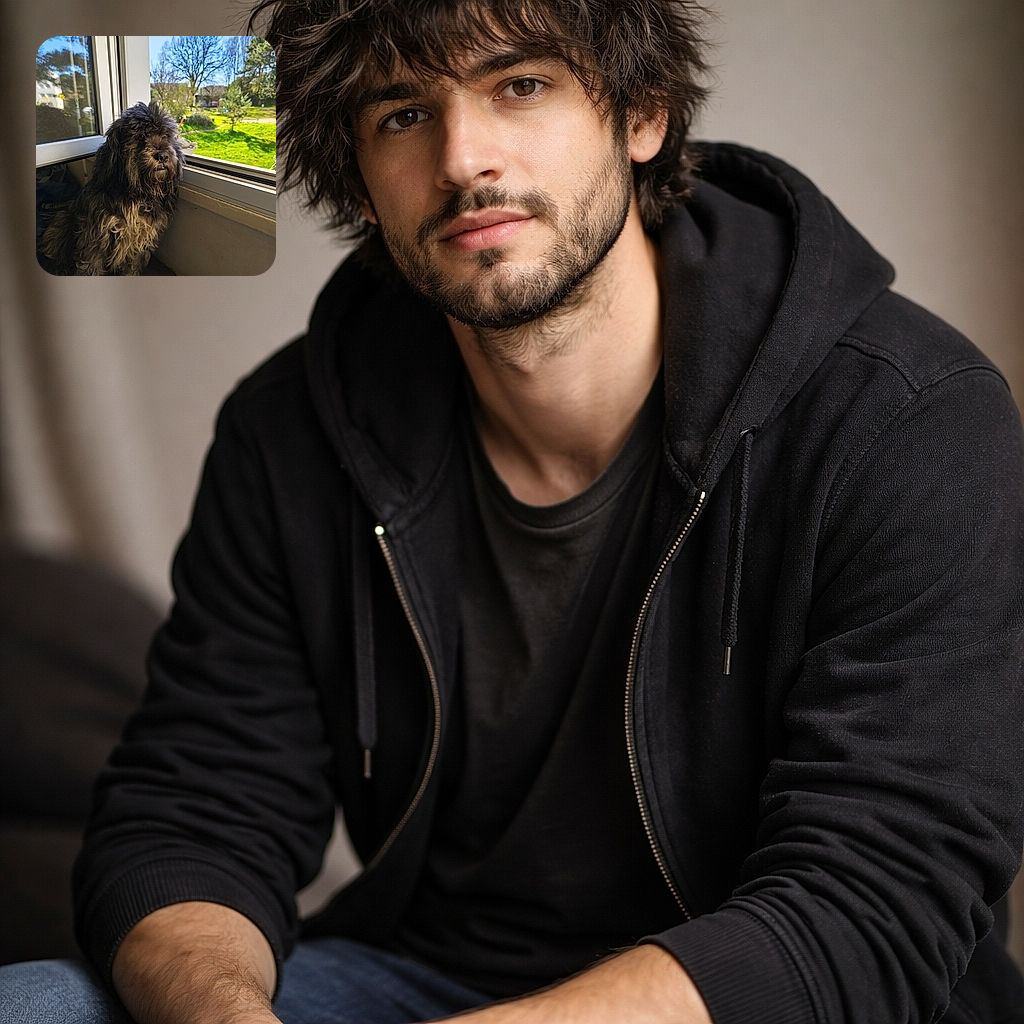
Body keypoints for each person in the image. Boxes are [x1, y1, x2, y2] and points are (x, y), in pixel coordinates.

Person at [3, 1, 1023, 1021]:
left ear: (644, 114)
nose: (462, 158)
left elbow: (875, 898)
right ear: (358, 179)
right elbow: (194, 812)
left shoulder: (907, 416)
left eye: (520, 86)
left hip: (760, 999)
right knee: (41, 1003)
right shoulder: (290, 433)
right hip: (427, 979)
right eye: (402, 114)